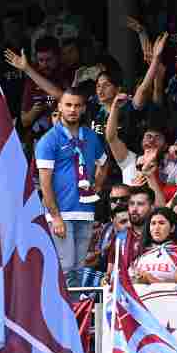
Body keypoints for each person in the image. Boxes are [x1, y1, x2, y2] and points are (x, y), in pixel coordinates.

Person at [36, 88, 109, 272]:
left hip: (85, 211)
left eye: (77, 105)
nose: (72, 110)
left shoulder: (91, 136)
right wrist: (55, 216)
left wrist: (97, 186)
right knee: (65, 267)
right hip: (62, 214)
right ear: (60, 106)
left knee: (79, 268)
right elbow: (44, 183)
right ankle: (63, 302)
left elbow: (104, 163)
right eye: (68, 105)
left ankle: (76, 302)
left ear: (83, 108)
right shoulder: (49, 140)